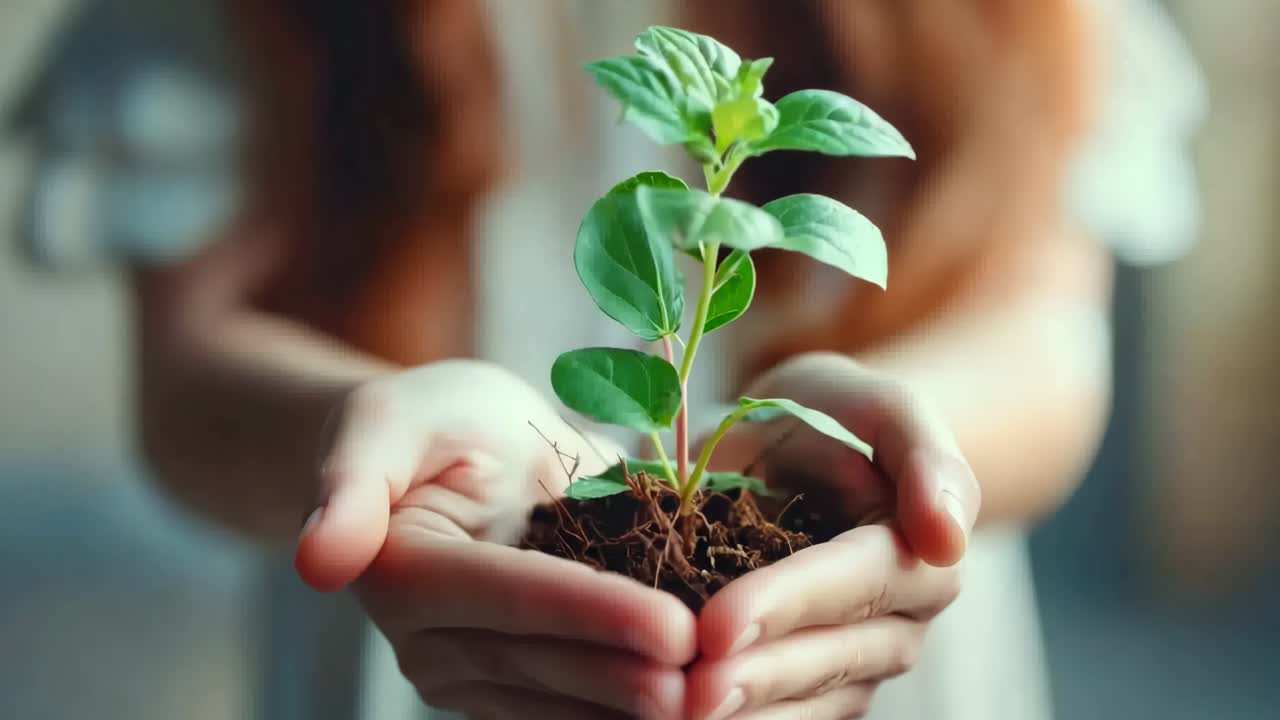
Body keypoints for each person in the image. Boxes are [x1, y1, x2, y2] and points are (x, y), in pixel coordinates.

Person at [14, 0, 1203, 718]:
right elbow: (188, 378)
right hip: (436, 639)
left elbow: (1047, 330)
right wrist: (368, 426)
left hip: (860, 645)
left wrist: (898, 439)